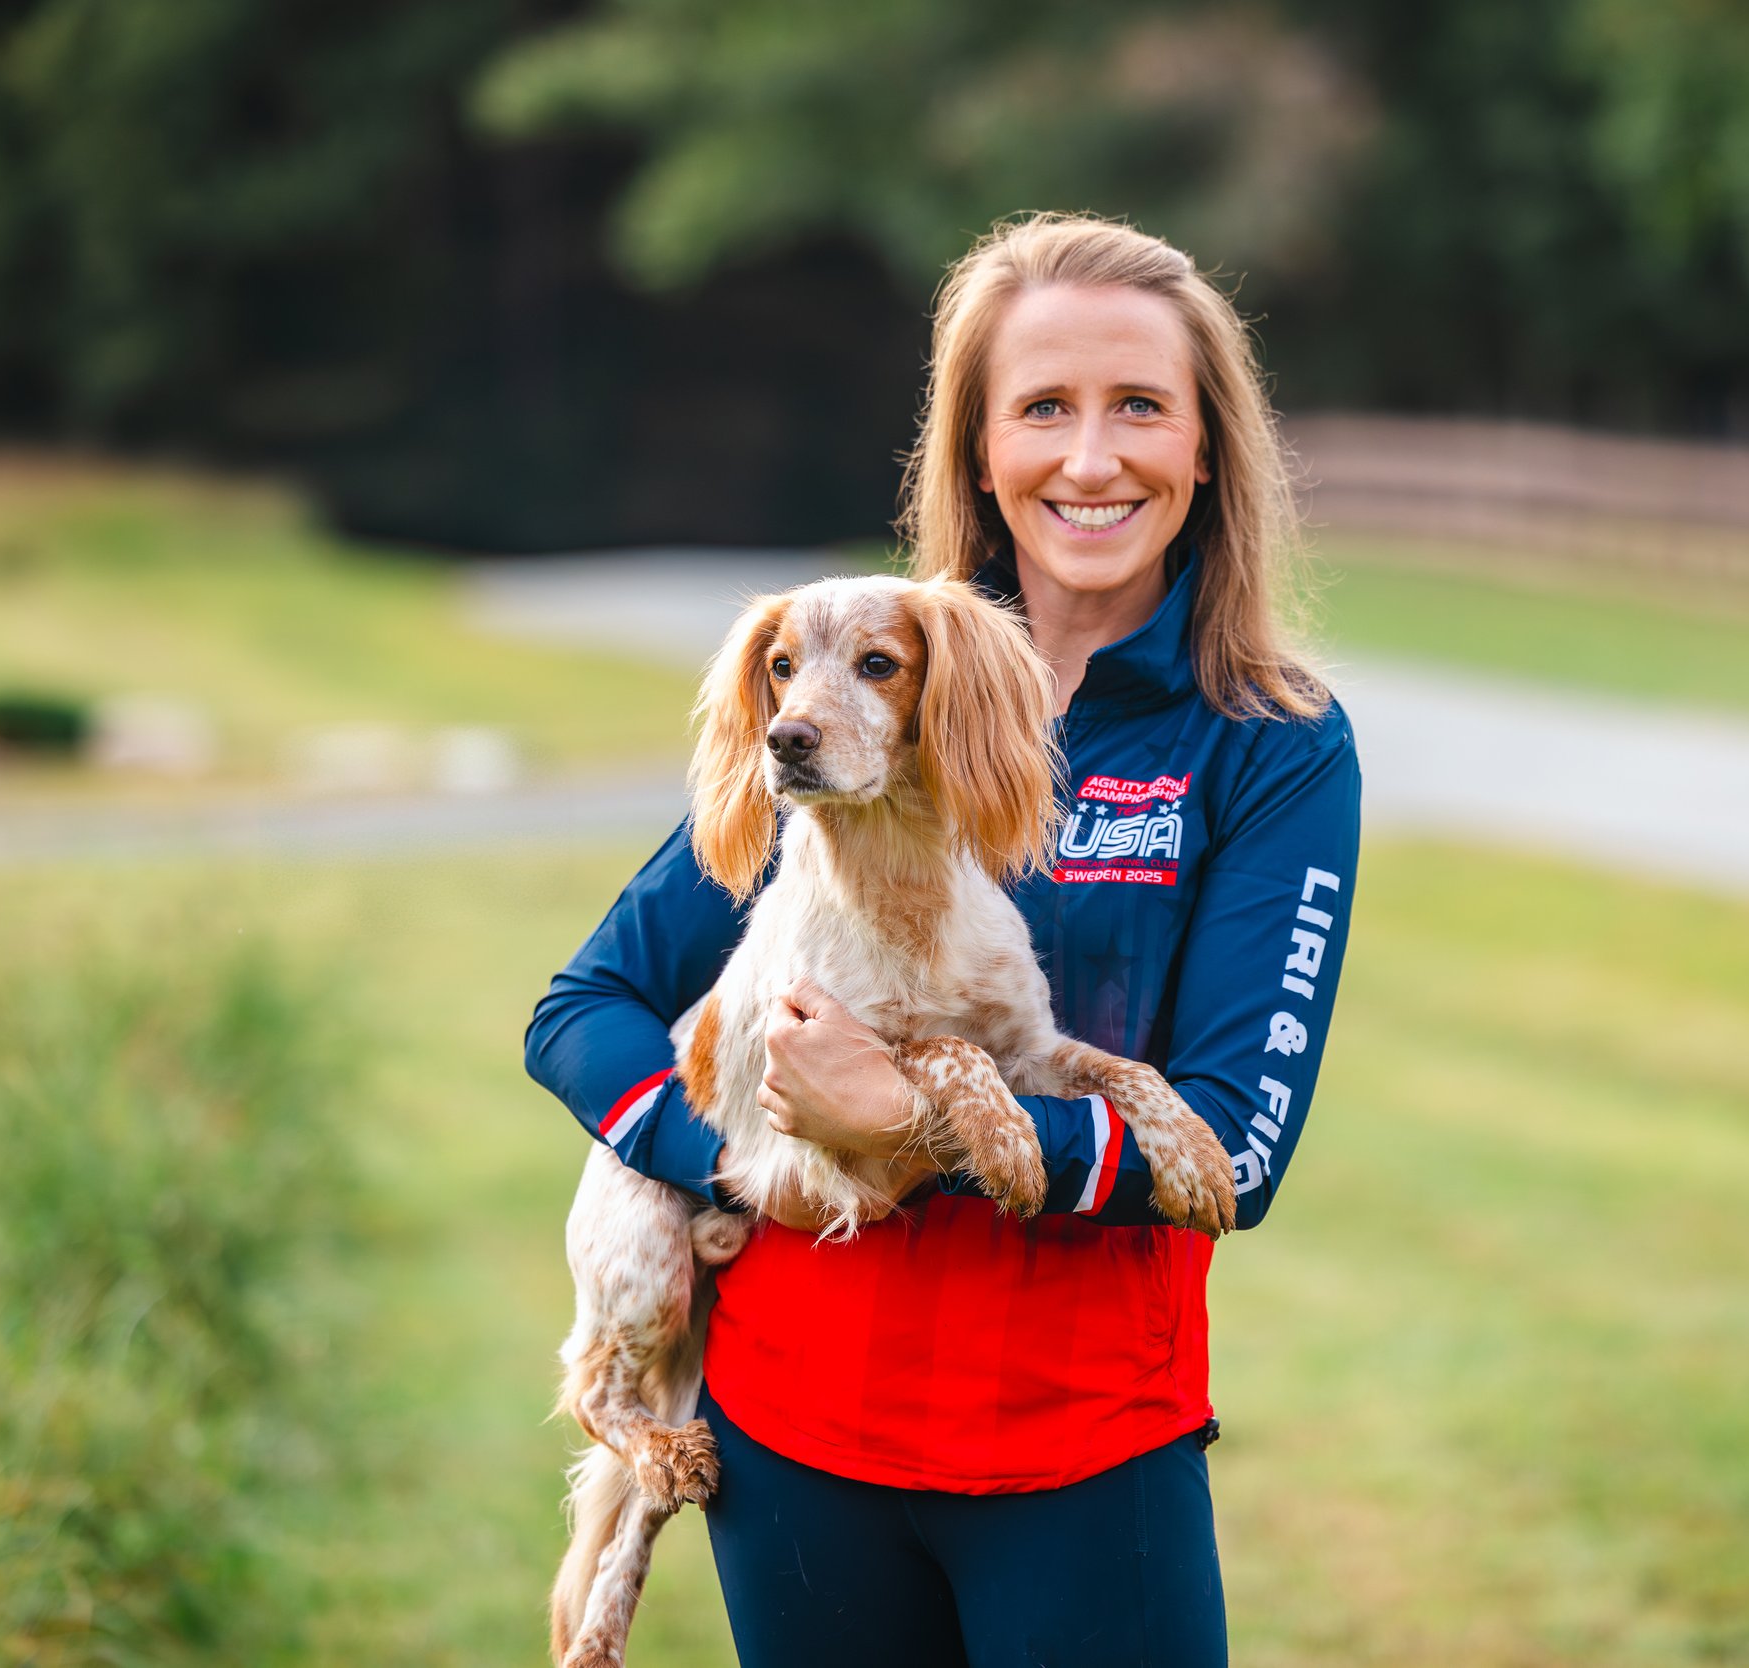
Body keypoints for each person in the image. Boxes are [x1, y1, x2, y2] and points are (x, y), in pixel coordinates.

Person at [525, 213, 1361, 1668]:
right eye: (1043, 408)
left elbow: (1237, 1151)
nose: (1090, 459)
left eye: (1139, 408)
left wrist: (916, 1124)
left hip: (1088, 1451)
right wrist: (720, 1162)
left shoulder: (1266, 745)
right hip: (793, 1448)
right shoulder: (852, 707)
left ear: (1209, 448)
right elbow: (581, 1010)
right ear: (979, 451)